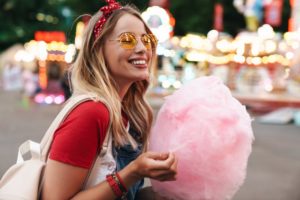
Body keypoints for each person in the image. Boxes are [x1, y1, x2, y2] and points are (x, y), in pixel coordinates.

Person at [41, 1, 177, 200]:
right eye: (128, 39)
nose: (142, 49)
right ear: (98, 49)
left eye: (146, 39)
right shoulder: (91, 112)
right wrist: (132, 173)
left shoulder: (134, 114)